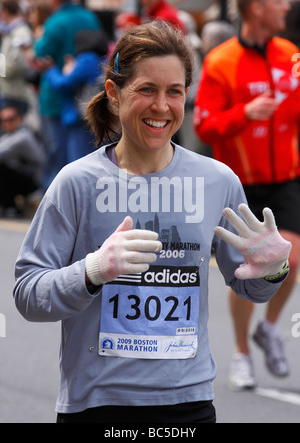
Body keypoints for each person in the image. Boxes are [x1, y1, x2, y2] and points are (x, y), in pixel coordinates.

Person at [14, 21, 291, 424]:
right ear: (113, 94)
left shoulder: (217, 181)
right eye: (146, 89)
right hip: (97, 405)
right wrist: (92, 272)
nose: (161, 106)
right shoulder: (77, 182)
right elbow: (27, 294)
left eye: (174, 92)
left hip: (189, 403)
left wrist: (273, 271)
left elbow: (251, 288)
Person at [194, 0, 300, 390]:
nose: (286, 8)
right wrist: (245, 113)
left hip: (287, 178)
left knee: (290, 258)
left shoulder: (291, 55)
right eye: (278, 1)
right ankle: (240, 351)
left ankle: (269, 329)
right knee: (247, 274)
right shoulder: (221, 61)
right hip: (240, 185)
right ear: (256, 8)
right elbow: (203, 125)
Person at [34, 0, 101, 190]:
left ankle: (56, 198)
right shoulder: (89, 16)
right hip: (87, 102)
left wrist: (50, 65)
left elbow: (41, 54)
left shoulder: (54, 22)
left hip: (59, 100)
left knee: (60, 153)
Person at [44, 29, 109, 163]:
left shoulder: (87, 59)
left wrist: (50, 70)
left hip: (81, 120)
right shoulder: (102, 59)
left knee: (79, 162)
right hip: (95, 117)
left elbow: (63, 84)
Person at [0, 99, 45, 217]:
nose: (7, 123)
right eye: (4, 120)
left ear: (19, 119)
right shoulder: (9, 135)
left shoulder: (22, 137)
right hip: (24, 177)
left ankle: (9, 206)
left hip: (35, 183)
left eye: (10, 119)